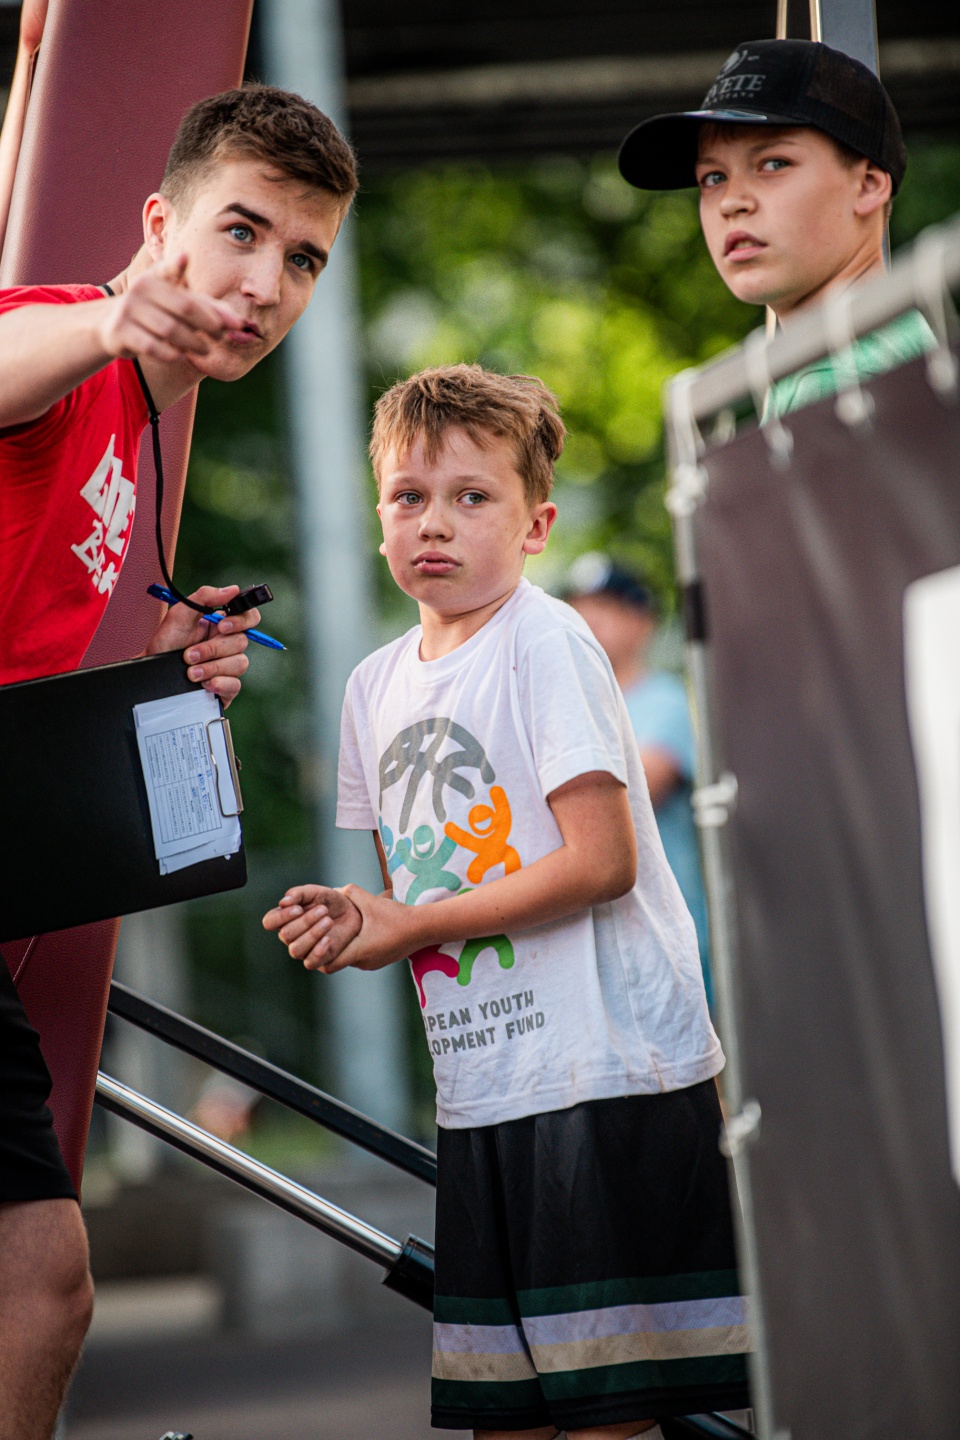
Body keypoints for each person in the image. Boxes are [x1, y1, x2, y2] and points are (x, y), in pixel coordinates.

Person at [264, 364, 751, 1437]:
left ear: (536, 526)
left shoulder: (547, 638)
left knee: (608, 1410)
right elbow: (416, 889)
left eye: (472, 496)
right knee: (509, 1413)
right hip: (484, 1085)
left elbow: (601, 861)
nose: (434, 522)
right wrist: (363, 919)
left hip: (605, 1074)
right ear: (377, 516)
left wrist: (413, 922)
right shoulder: (372, 686)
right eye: (408, 496)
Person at [0, 82, 358, 1440]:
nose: (266, 284)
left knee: (41, 1287)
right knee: (39, 1284)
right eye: (241, 232)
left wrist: (157, 663)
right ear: (161, 227)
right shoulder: (70, 345)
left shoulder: (143, 433)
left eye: (303, 258)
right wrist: (105, 322)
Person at [618, 38, 932, 415]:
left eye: (774, 164)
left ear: (867, 186)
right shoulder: (884, 360)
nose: (732, 202)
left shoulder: (844, 388)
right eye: (714, 177)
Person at [565, 555, 712, 1010]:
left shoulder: (665, 701)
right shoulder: (566, 708)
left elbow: (633, 796)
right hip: (587, 942)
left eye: (606, 606)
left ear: (642, 621)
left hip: (662, 937)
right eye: (579, 606)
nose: (589, 619)